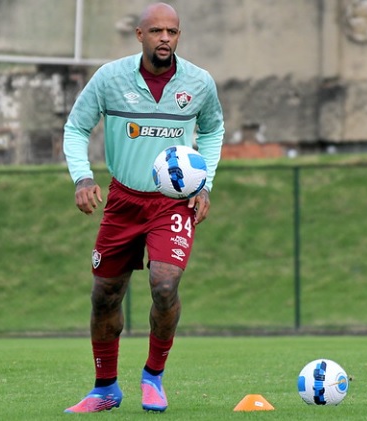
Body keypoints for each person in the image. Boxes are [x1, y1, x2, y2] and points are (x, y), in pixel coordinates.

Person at [62, 2, 224, 414]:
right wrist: (82, 177)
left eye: (172, 32)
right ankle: (105, 389)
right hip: (122, 200)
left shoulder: (199, 83)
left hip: (172, 204)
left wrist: (204, 184)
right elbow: (77, 126)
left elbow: (213, 129)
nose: (165, 38)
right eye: (157, 31)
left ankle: (153, 376)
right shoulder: (110, 78)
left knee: (165, 285)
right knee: (104, 296)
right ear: (140, 35)